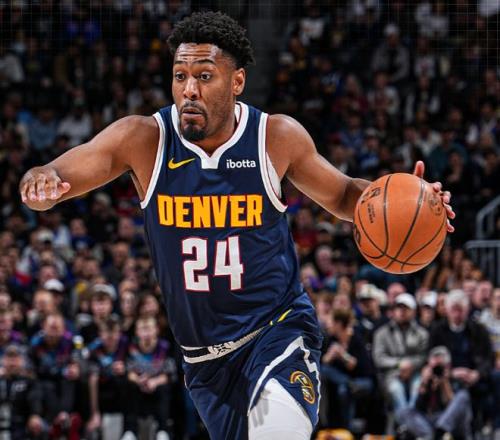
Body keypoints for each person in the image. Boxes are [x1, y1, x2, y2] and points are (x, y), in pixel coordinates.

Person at [18, 11, 454, 439]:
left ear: (237, 81)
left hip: (277, 332)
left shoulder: (274, 137)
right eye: (180, 76)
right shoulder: (144, 139)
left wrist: (402, 199)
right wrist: (42, 179)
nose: (189, 90)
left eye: (204, 76)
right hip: (205, 362)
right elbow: (62, 171)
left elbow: (342, 194)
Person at [397, 346, 473, 440]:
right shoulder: (427, 379)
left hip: (450, 424)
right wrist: (424, 383)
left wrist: (444, 382)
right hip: (431, 421)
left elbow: (453, 410)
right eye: (434, 367)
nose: (437, 370)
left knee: (463, 396)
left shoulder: (454, 379)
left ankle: (440, 431)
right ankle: (430, 436)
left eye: (440, 366)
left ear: (448, 366)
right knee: (404, 411)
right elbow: (418, 407)